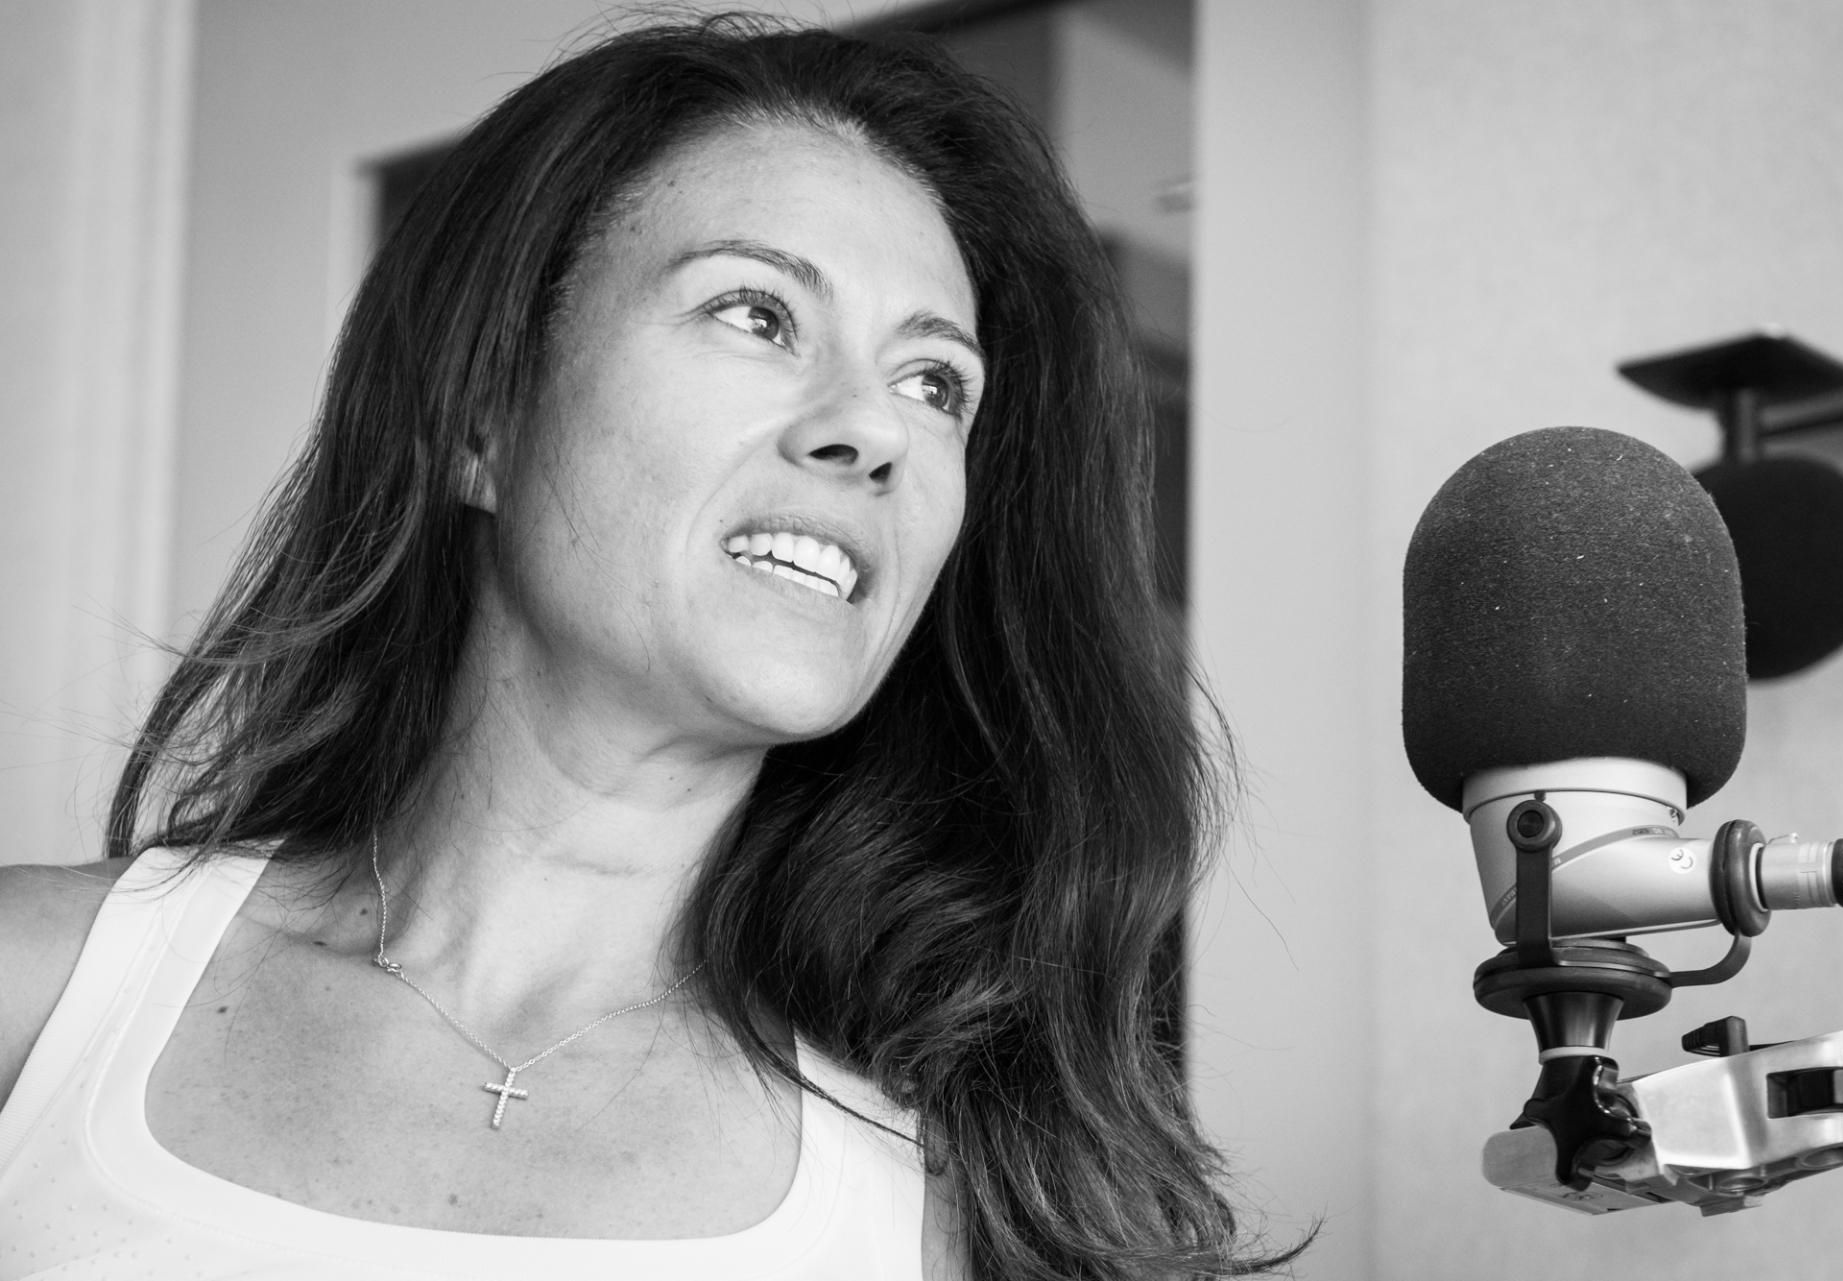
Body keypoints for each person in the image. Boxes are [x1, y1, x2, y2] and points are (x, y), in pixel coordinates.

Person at [0, 13, 1307, 1279]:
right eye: (757, 313)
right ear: (481, 419)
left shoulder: (965, 1200)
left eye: (934, 384)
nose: (877, 430)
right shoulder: (39, 997)